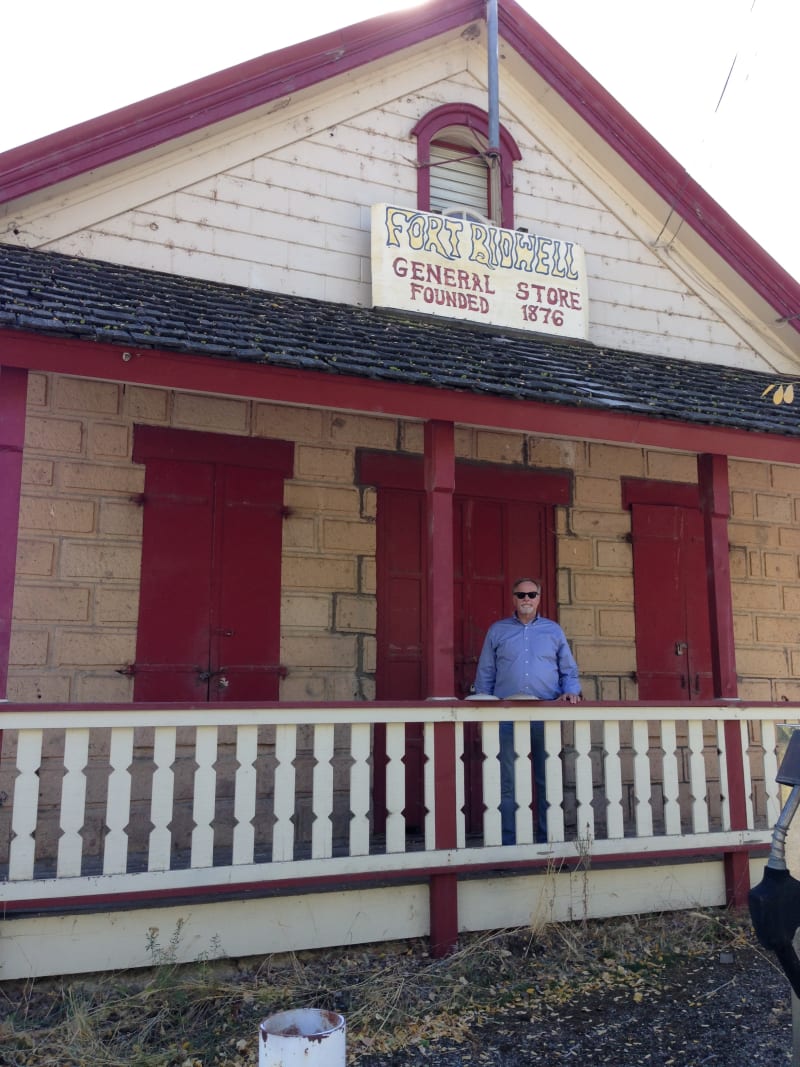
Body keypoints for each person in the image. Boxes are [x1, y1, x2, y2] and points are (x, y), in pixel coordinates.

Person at [473, 577, 581, 844]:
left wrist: (571, 691)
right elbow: (486, 672)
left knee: (548, 780)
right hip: (506, 716)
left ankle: (550, 844)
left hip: (544, 715)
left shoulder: (553, 631)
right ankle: (508, 844)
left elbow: (568, 668)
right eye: (521, 595)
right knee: (505, 781)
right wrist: (481, 709)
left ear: (539, 598)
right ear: (513, 598)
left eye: (532, 594)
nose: (526, 599)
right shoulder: (497, 631)